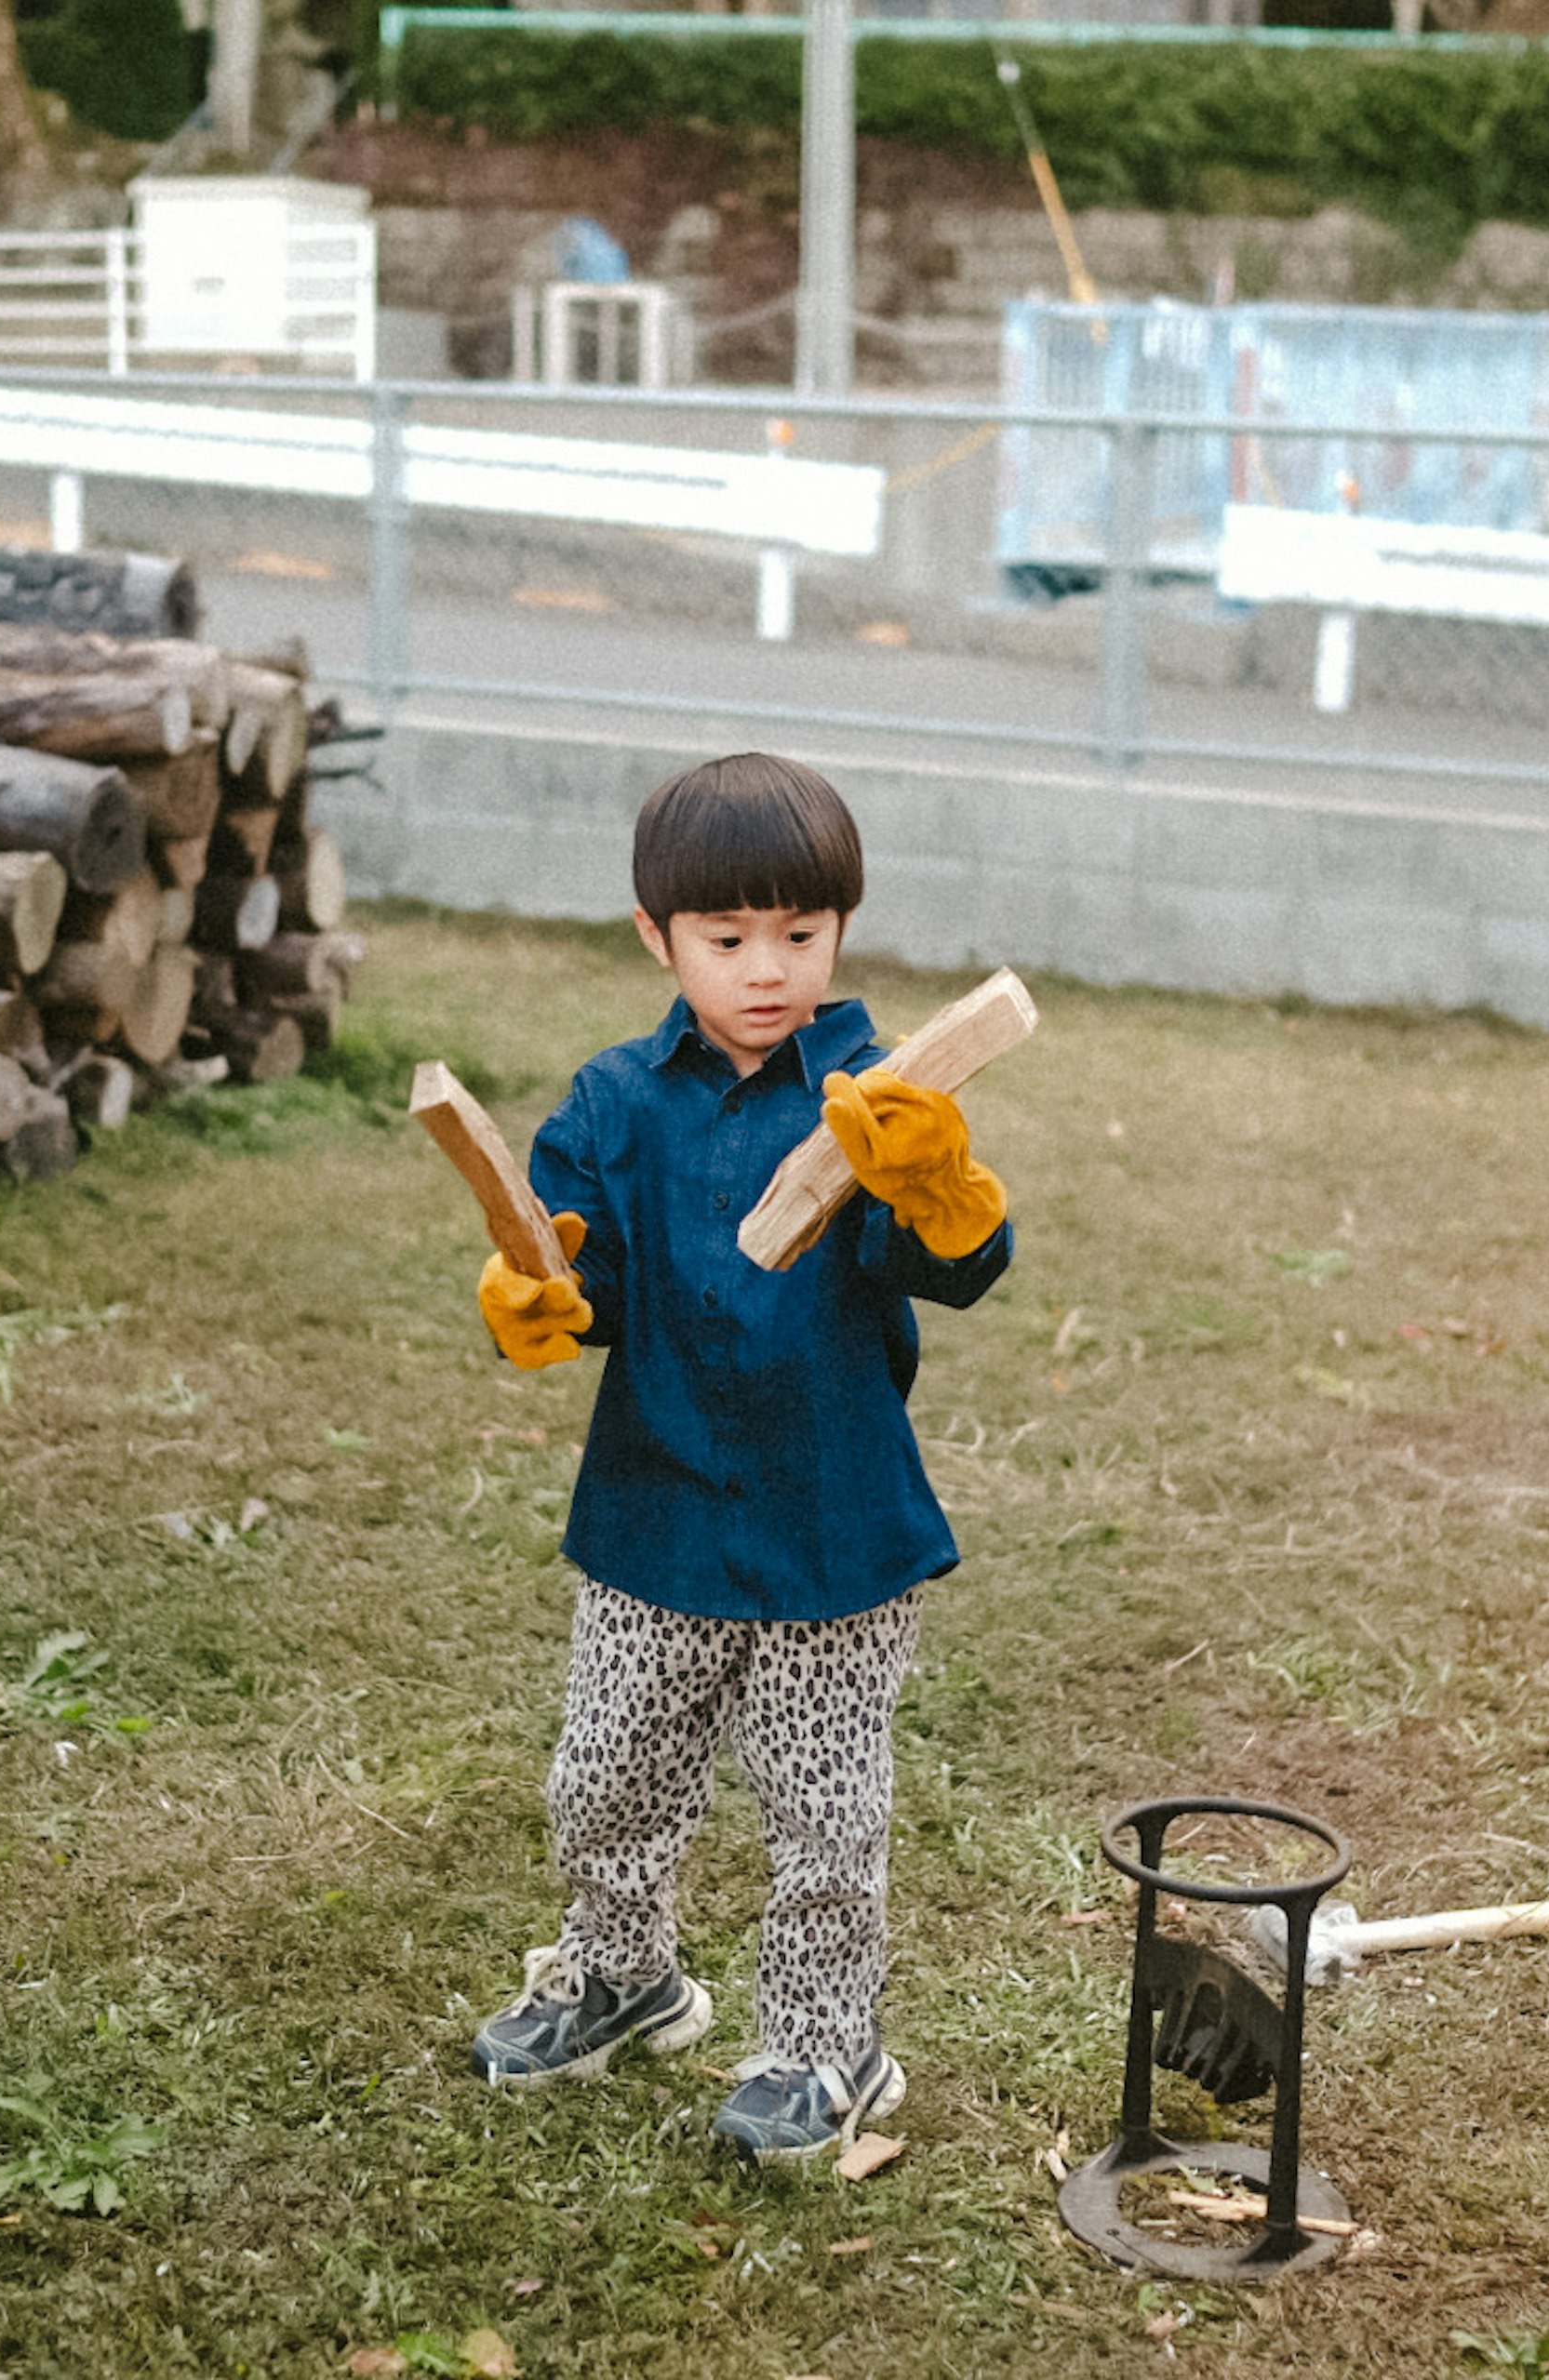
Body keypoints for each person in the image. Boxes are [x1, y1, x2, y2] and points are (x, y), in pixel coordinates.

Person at [464, 751, 1014, 2164]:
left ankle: (829, 2049)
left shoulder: (882, 1102)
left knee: (823, 1815)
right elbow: (584, 1285)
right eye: (727, 939)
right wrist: (544, 1297)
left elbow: (960, 1269)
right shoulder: (612, 1103)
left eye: (801, 935)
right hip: (654, 1513)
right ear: (659, 940)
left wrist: (937, 1184)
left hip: (834, 1530)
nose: (767, 970)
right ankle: (623, 1973)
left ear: (841, 931)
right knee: (604, 1775)